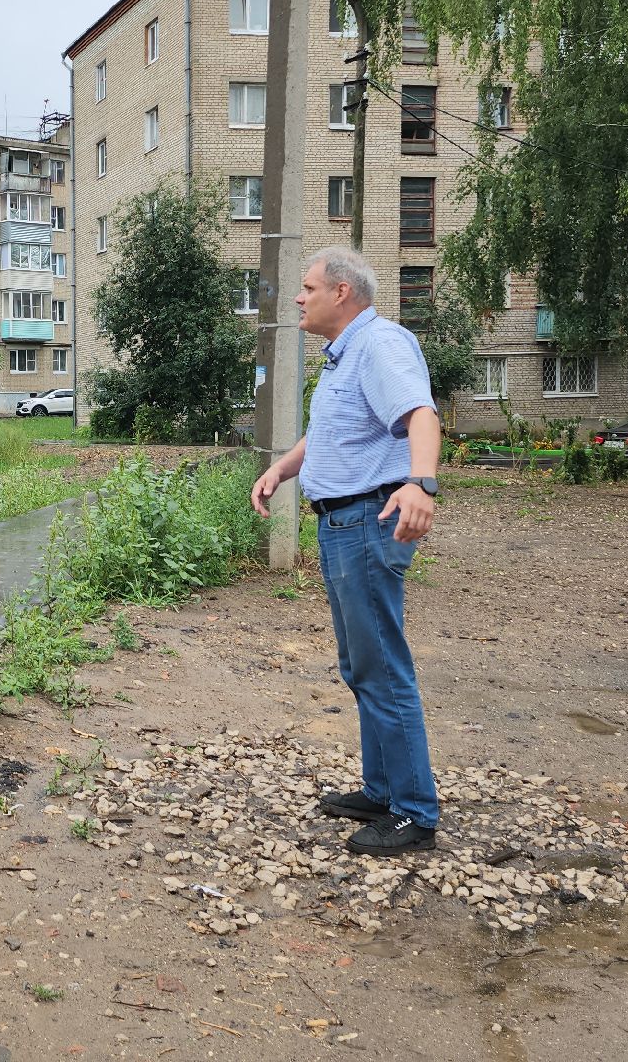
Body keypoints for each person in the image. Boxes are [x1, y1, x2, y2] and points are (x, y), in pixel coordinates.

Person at [250, 246, 443, 857]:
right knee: (362, 666)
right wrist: (282, 468)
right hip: (340, 524)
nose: (299, 298)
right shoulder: (344, 356)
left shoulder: (381, 343)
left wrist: (421, 482)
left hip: (366, 520)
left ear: (342, 293)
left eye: (307, 288)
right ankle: (382, 790)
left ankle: (414, 813)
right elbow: (332, 431)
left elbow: (420, 414)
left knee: (383, 667)